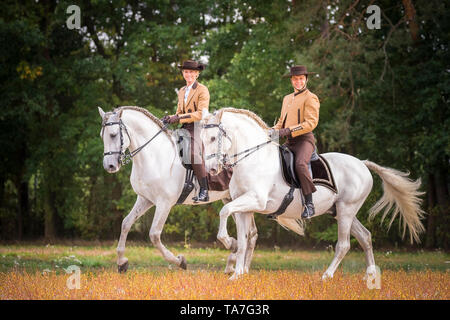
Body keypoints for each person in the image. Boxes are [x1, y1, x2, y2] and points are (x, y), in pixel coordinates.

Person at [271, 65, 320, 219]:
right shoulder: (287, 99)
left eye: (301, 79)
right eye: (295, 79)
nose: (298, 81)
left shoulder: (311, 97)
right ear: (292, 80)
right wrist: (270, 133)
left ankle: (309, 204)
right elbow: (280, 122)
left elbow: (311, 123)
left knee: (300, 164)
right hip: (289, 141)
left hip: (304, 140)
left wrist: (289, 130)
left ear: (306, 79)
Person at [162, 60, 210, 202]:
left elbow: (201, 113)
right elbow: (178, 112)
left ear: (197, 74)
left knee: (194, 153)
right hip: (184, 127)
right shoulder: (182, 91)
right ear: (183, 73)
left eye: (191, 72)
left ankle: (204, 189)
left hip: (197, 126)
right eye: (186, 72)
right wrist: (169, 117)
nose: (188, 74)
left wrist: (178, 118)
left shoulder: (202, 90)